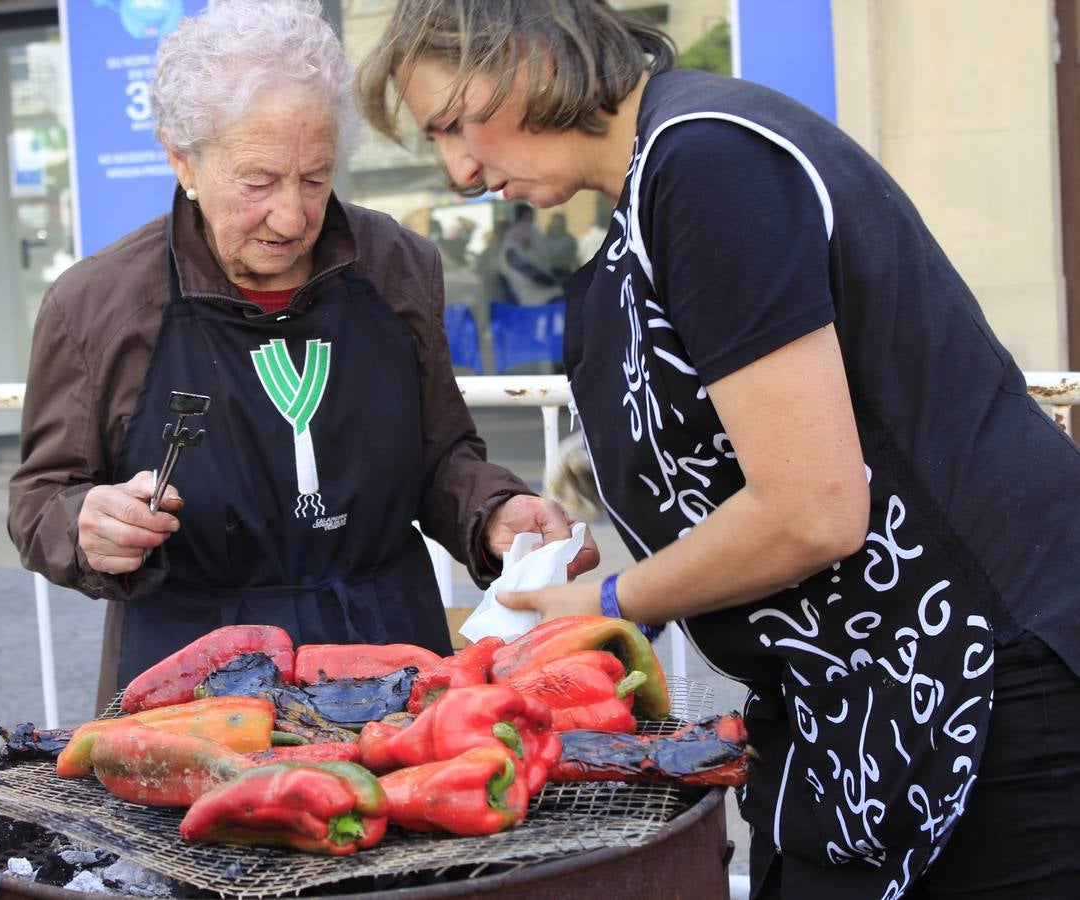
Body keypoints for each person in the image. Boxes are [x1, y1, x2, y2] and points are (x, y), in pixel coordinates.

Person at [358, 2, 1079, 898]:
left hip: (977, 685)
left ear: (534, 58)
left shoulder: (705, 164)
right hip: (853, 697)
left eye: (454, 123)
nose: (458, 169)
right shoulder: (658, 177)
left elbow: (812, 508)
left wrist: (611, 599)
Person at [7, 0, 596, 717]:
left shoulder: (397, 267)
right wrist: (85, 525)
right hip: (191, 681)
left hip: (388, 660)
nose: (291, 218)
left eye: (314, 179)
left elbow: (441, 457)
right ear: (181, 157)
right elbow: (40, 500)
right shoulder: (94, 304)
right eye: (258, 182)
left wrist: (493, 511)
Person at [497, 202, 561, 305]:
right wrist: (550, 280)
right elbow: (529, 270)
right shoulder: (513, 247)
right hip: (533, 295)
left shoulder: (514, 243)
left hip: (531, 291)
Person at [541, 212, 578, 280]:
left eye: (559, 222)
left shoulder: (569, 240)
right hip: (548, 273)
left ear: (563, 224)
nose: (557, 225)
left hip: (565, 273)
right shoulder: (545, 239)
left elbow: (574, 259)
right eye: (555, 222)